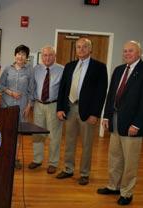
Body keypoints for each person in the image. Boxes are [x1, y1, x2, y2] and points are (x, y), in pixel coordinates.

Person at [97, 41, 143, 206]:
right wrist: (107, 116)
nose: (127, 54)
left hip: (132, 124)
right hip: (115, 120)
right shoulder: (118, 70)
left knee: (130, 161)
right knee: (115, 157)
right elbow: (111, 96)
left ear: (139, 53)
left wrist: (137, 124)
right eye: (124, 51)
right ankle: (113, 186)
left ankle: (127, 192)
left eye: (131, 51)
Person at [56, 38, 108, 185]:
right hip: (70, 108)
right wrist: (60, 108)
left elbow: (101, 92)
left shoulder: (99, 67)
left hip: (88, 112)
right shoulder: (70, 66)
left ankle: (84, 173)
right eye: (78, 47)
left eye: (84, 47)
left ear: (90, 49)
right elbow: (63, 89)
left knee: (87, 144)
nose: (81, 49)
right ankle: (68, 169)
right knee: (69, 141)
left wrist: (95, 114)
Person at [27, 46, 63, 174]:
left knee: (54, 135)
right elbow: (32, 87)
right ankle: (37, 159)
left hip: (54, 105)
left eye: (50, 55)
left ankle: (53, 163)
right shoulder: (36, 69)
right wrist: (30, 104)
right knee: (37, 134)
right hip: (38, 104)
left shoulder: (62, 70)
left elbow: (64, 91)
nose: (47, 58)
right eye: (45, 55)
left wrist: (62, 108)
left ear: (55, 56)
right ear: (41, 56)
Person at [0, 44, 32, 169]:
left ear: (26, 57)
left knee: (17, 133)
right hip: (6, 105)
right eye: (19, 53)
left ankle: (15, 159)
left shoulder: (29, 71)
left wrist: (29, 106)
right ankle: (4, 157)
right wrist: (11, 92)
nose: (20, 56)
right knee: (5, 132)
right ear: (15, 55)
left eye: (23, 54)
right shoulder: (7, 69)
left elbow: (31, 90)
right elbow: (0, 86)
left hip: (21, 107)